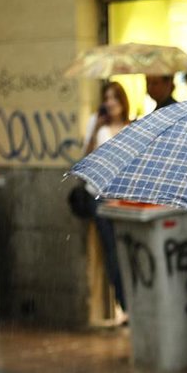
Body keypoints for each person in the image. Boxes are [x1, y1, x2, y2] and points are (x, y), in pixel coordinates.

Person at [82, 81, 132, 317]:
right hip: (100, 195)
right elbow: (86, 161)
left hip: (125, 197)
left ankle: (131, 299)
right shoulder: (98, 127)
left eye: (114, 97)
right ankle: (125, 304)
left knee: (127, 250)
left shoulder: (132, 127)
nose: (110, 102)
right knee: (112, 250)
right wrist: (95, 129)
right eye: (106, 98)